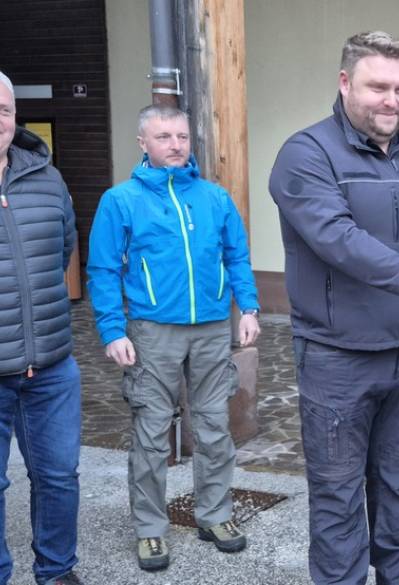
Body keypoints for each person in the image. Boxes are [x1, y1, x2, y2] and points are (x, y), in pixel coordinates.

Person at [268, 31, 399, 585]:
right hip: (338, 359)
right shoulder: (305, 155)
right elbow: (337, 237)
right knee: (337, 503)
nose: (392, 100)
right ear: (344, 83)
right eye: (377, 86)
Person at [86, 104, 260, 572]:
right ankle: (149, 529)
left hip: (209, 328)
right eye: (163, 137)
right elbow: (102, 270)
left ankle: (215, 515)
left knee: (214, 429)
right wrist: (112, 329)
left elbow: (237, 256)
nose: (176, 145)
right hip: (152, 330)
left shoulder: (214, 198)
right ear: (143, 143)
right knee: (150, 433)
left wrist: (249, 307)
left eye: (181, 136)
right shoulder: (120, 200)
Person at [0, 71, 83, 585]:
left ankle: (56, 572)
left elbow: (62, 248)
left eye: (4, 110)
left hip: (50, 367)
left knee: (58, 478)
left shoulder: (46, 177)